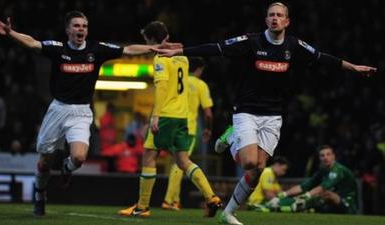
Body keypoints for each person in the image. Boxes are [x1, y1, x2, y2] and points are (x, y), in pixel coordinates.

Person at [156, 2, 376, 224]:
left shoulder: (294, 45)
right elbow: (216, 48)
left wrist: (354, 68)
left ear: (287, 21)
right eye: (271, 15)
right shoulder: (252, 42)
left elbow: (322, 57)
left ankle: (228, 213)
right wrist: (178, 51)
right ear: (266, 20)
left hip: (273, 115)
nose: (275, 18)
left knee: (259, 169)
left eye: (280, 15)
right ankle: (231, 136)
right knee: (250, 163)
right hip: (246, 111)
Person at [0, 11, 178, 216]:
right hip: (58, 109)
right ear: (68, 30)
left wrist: (153, 47)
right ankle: (40, 195)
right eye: (77, 26)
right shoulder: (57, 49)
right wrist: (10, 33)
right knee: (44, 162)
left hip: (81, 112)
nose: (81, 30)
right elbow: (33, 43)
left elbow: (128, 49)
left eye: (84, 26)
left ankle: (67, 168)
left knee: (78, 157)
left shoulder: (96, 49)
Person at [118, 21, 222, 218]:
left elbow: (162, 87)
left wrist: (156, 115)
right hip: (182, 117)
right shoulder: (181, 56)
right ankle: (211, 197)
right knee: (183, 161)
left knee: (149, 156)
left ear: (150, 39)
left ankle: (142, 206)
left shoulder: (160, 58)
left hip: (166, 115)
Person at [161, 57, 214, 211]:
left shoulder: (178, 80)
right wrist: (209, 128)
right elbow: (208, 112)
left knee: (177, 163)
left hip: (171, 124)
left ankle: (175, 200)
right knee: (181, 163)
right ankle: (168, 200)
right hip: (188, 128)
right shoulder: (200, 85)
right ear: (199, 69)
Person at [267, 145, 358, 214]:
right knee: (313, 195)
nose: (325, 157)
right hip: (332, 204)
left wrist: (306, 196)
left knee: (325, 193)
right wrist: (283, 195)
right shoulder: (322, 171)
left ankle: (295, 207)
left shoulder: (338, 170)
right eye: (322, 155)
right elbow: (304, 186)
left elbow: (323, 187)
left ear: (334, 156)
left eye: (328, 154)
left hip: (348, 203)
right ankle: (282, 206)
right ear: (319, 158)